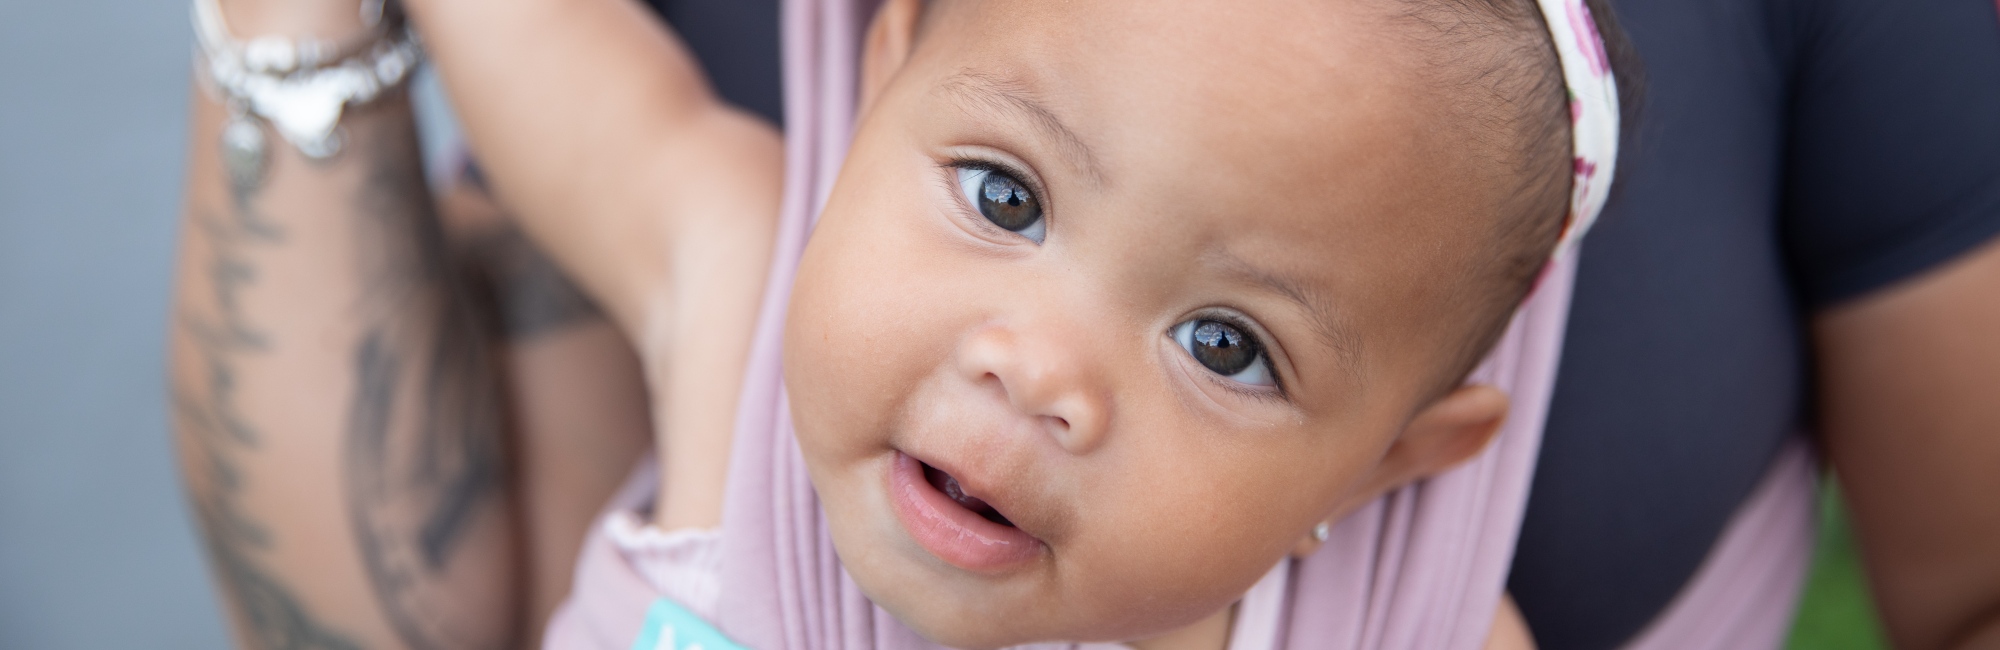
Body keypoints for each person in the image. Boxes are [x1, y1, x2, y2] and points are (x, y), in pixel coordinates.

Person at [169, 1, 2000, 650]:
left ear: (1389, 461)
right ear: (877, 93)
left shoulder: (1396, 624)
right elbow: (577, 70)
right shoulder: (744, 291)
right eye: (1005, 199)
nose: (1035, 369)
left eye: (1228, 346)